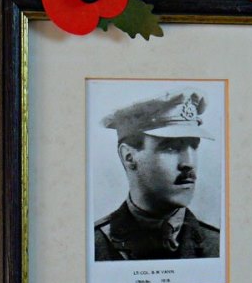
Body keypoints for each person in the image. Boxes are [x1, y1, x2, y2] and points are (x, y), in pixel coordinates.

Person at [94, 89, 220, 261]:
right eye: (171, 147)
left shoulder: (218, 245)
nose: (188, 163)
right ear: (129, 157)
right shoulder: (93, 245)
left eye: (194, 146)